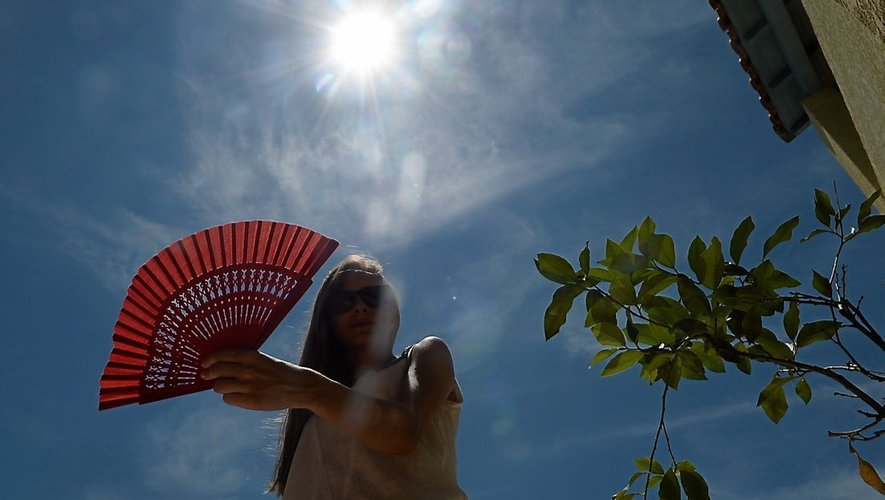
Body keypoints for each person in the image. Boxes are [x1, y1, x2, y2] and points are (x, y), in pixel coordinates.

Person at [200, 254, 467, 499]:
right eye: (343, 302)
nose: (360, 307)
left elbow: (402, 433)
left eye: (374, 296)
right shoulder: (313, 413)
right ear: (327, 320)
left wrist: (306, 387)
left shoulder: (423, 356)